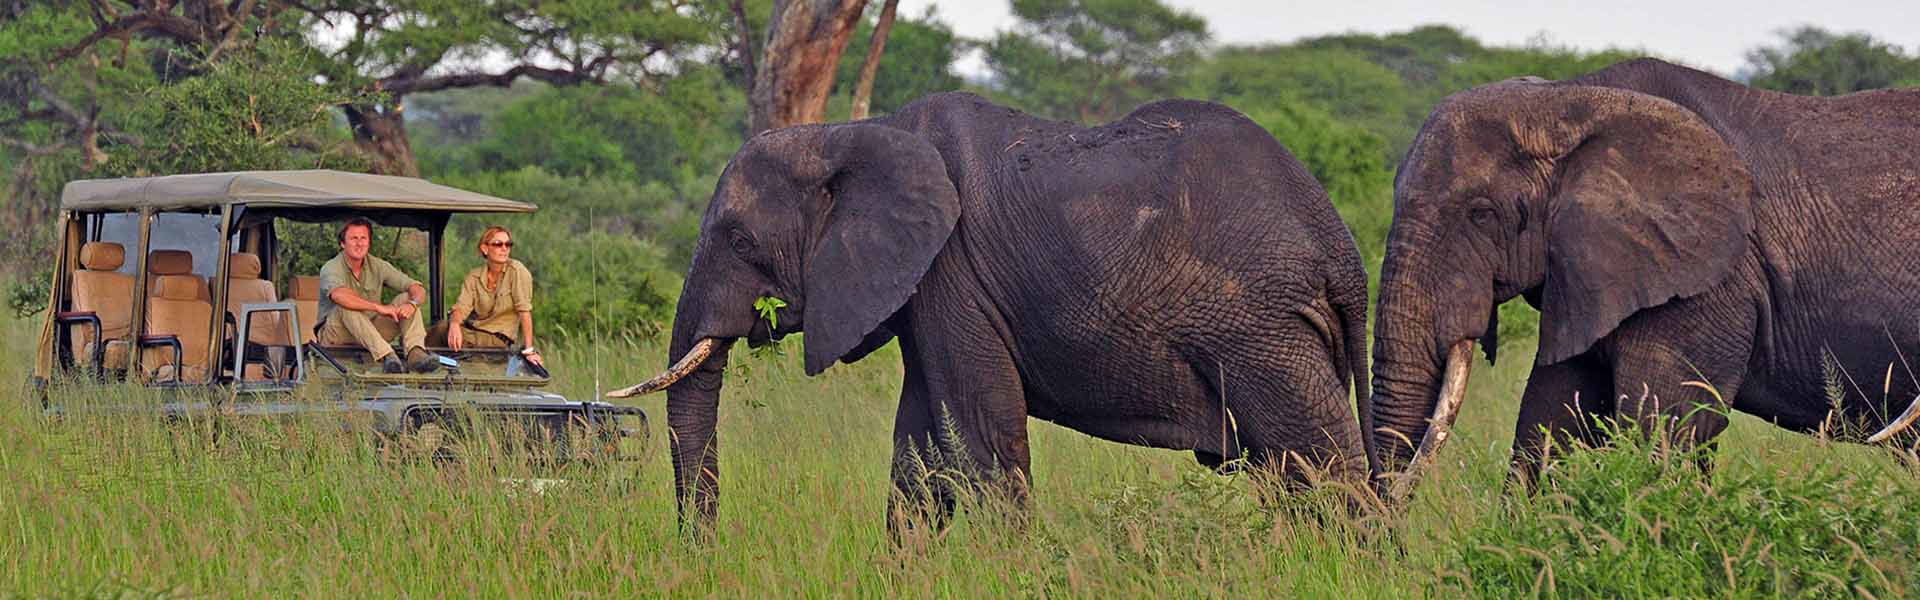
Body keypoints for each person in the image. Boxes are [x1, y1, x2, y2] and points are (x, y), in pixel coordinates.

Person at [317, 218, 439, 373]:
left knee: (406, 298)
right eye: (354, 238)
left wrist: (412, 304)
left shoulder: (378, 265)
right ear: (342, 243)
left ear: (369, 242)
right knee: (346, 306)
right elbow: (339, 296)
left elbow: (416, 288)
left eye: (363, 238)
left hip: (371, 331)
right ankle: (387, 356)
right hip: (338, 334)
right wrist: (379, 308)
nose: (359, 243)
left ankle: (415, 354)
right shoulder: (331, 267)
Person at [446, 225, 544, 370]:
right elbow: (461, 308)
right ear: (485, 248)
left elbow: (524, 311)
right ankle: (421, 367)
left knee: (444, 332)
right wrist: (454, 324)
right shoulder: (474, 276)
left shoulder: (517, 271)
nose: (504, 248)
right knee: (443, 328)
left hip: (498, 341)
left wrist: (529, 350)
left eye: (508, 244)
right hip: (475, 333)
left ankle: (429, 364)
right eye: (498, 244)